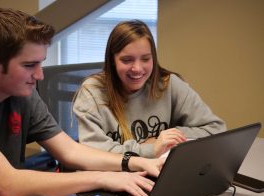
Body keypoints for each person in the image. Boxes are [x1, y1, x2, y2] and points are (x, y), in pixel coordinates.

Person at [0, 9, 164, 196]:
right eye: (29, 65)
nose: (39, 75)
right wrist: (104, 178)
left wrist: (135, 163)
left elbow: (69, 151)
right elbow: (6, 184)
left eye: (41, 63)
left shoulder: (20, 89)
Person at [73, 20, 227, 158]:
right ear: (112, 60)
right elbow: (92, 153)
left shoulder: (169, 84)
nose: (137, 68)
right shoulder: (92, 92)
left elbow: (216, 129)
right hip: (114, 179)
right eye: (127, 60)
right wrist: (150, 148)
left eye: (146, 59)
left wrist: (165, 137)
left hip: (161, 176)